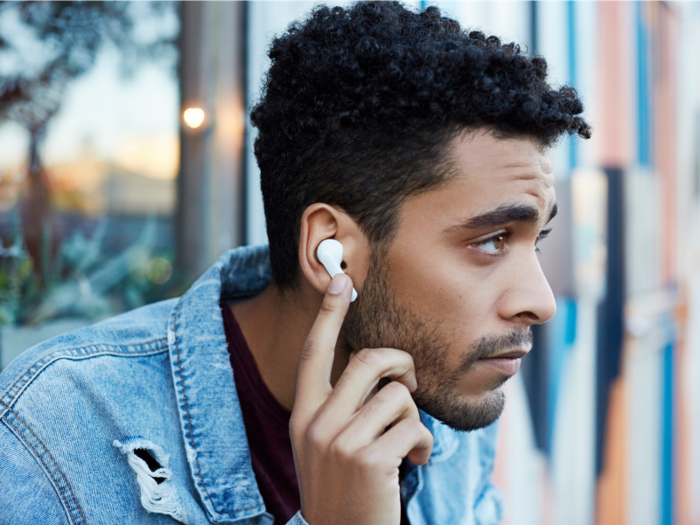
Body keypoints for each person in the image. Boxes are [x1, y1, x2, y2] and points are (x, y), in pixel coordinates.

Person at [0, 1, 590, 524]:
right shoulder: (56, 438)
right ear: (328, 251)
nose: (540, 301)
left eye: (534, 241)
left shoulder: (445, 408)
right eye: (490, 240)